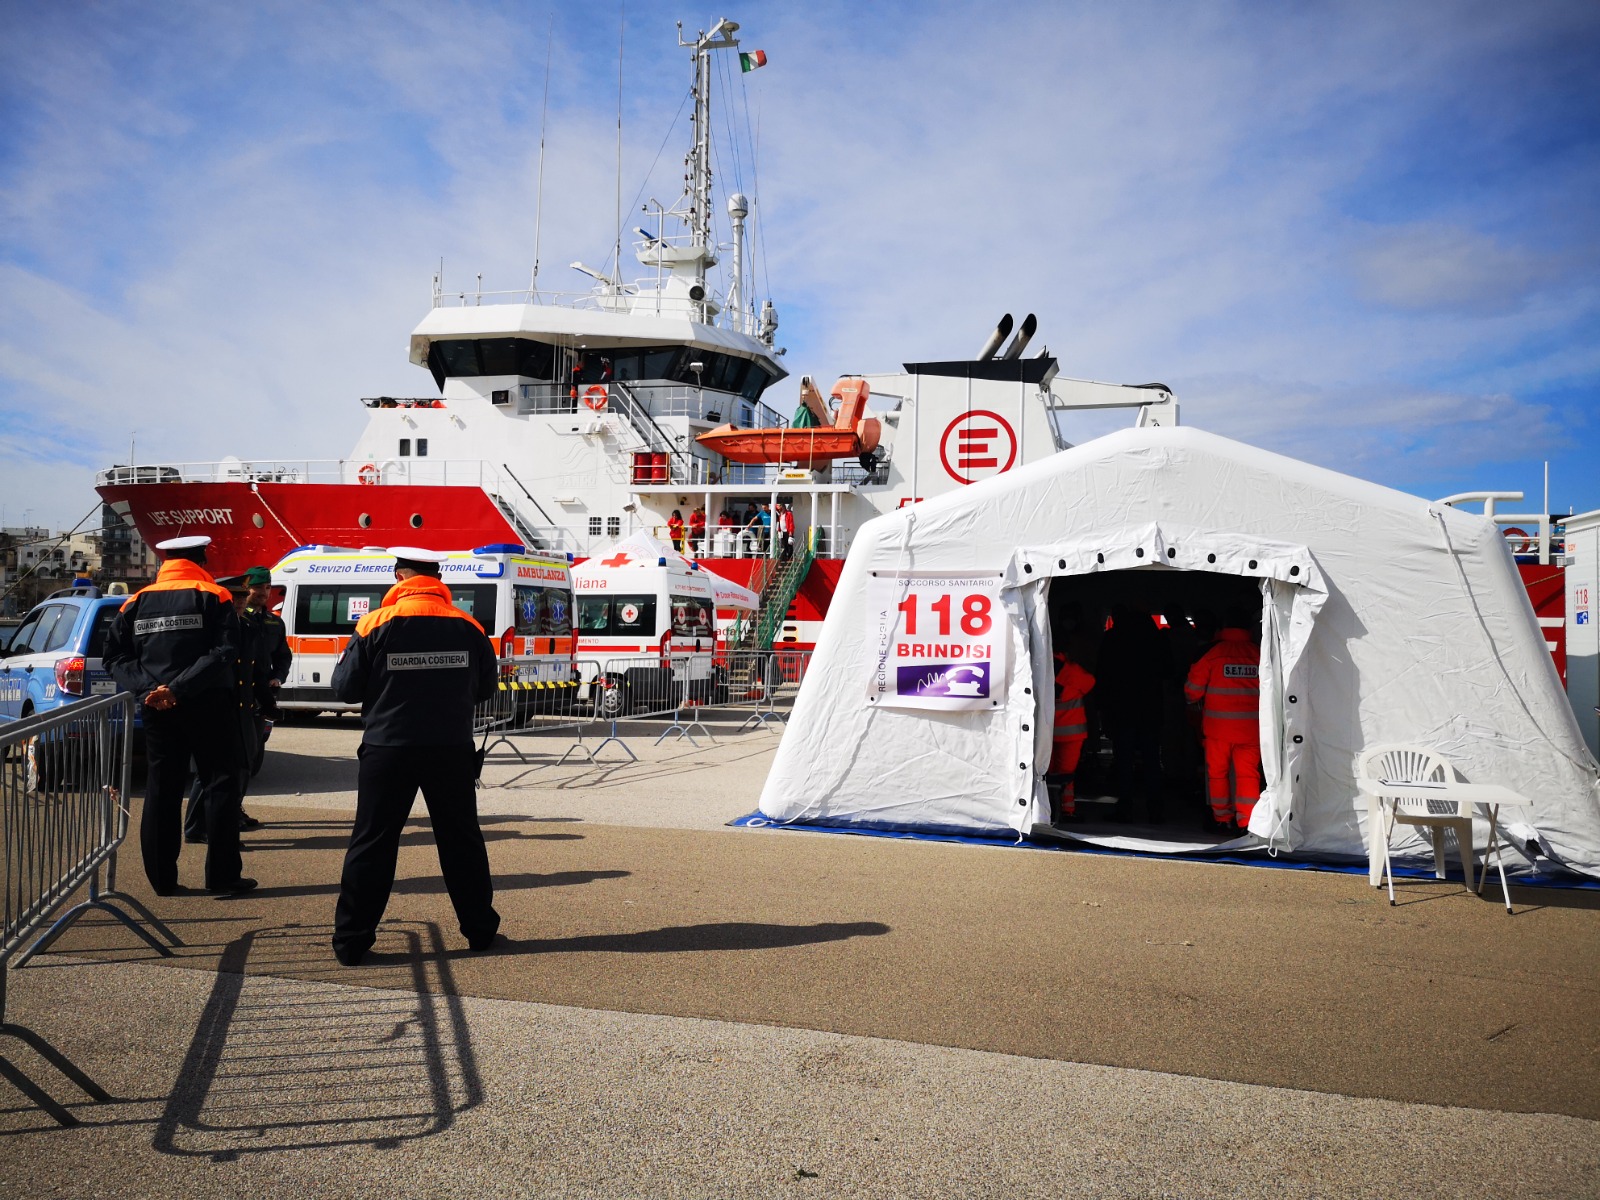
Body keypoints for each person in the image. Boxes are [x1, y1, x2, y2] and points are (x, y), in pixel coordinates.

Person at [330, 546, 501, 966]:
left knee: (372, 842)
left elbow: (345, 689)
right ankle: (479, 931)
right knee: (461, 840)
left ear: (400, 578)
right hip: (450, 749)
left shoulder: (376, 622)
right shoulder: (468, 625)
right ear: (437, 580)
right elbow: (485, 689)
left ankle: (352, 941)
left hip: (388, 749)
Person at [103, 535, 252, 895]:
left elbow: (114, 658)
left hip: (157, 708)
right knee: (219, 786)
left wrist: (151, 690)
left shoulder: (135, 602)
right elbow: (224, 651)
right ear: (202, 560)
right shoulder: (215, 595)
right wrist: (180, 689)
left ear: (165, 562)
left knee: (161, 790)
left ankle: (162, 880)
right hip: (208, 705)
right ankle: (222, 878)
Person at [183, 574, 274, 844]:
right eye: (232, 597)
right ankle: (199, 827)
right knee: (210, 772)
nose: (238, 602)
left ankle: (221, 827)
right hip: (216, 708)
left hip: (243, 708)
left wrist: (267, 701)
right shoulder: (209, 629)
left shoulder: (248, 625)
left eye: (242, 597)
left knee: (239, 769)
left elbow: (257, 668)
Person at [1184, 608, 1262, 833]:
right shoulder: (1258, 653)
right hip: (1251, 729)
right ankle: (1247, 821)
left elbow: (1192, 692)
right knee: (1248, 774)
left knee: (1218, 774)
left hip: (1218, 729)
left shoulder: (1212, 653)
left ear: (1223, 627)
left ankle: (1222, 818)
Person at [1096, 603, 1172, 824]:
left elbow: (1102, 675)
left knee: (1124, 761)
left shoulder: (1113, 638)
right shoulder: (1157, 640)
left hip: (1122, 709)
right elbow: (1168, 671)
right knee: (1151, 761)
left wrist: (1102, 707)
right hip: (1150, 709)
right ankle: (1155, 810)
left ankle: (1125, 808)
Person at [1048, 649, 1096, 822]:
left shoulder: (1038, 667)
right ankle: (1067, 810)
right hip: (1072, 733)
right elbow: (1090, 683)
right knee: (1067, 775)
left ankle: (1048, 809)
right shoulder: (1074, 671)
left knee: (1046, 774)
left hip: (1047, 732)